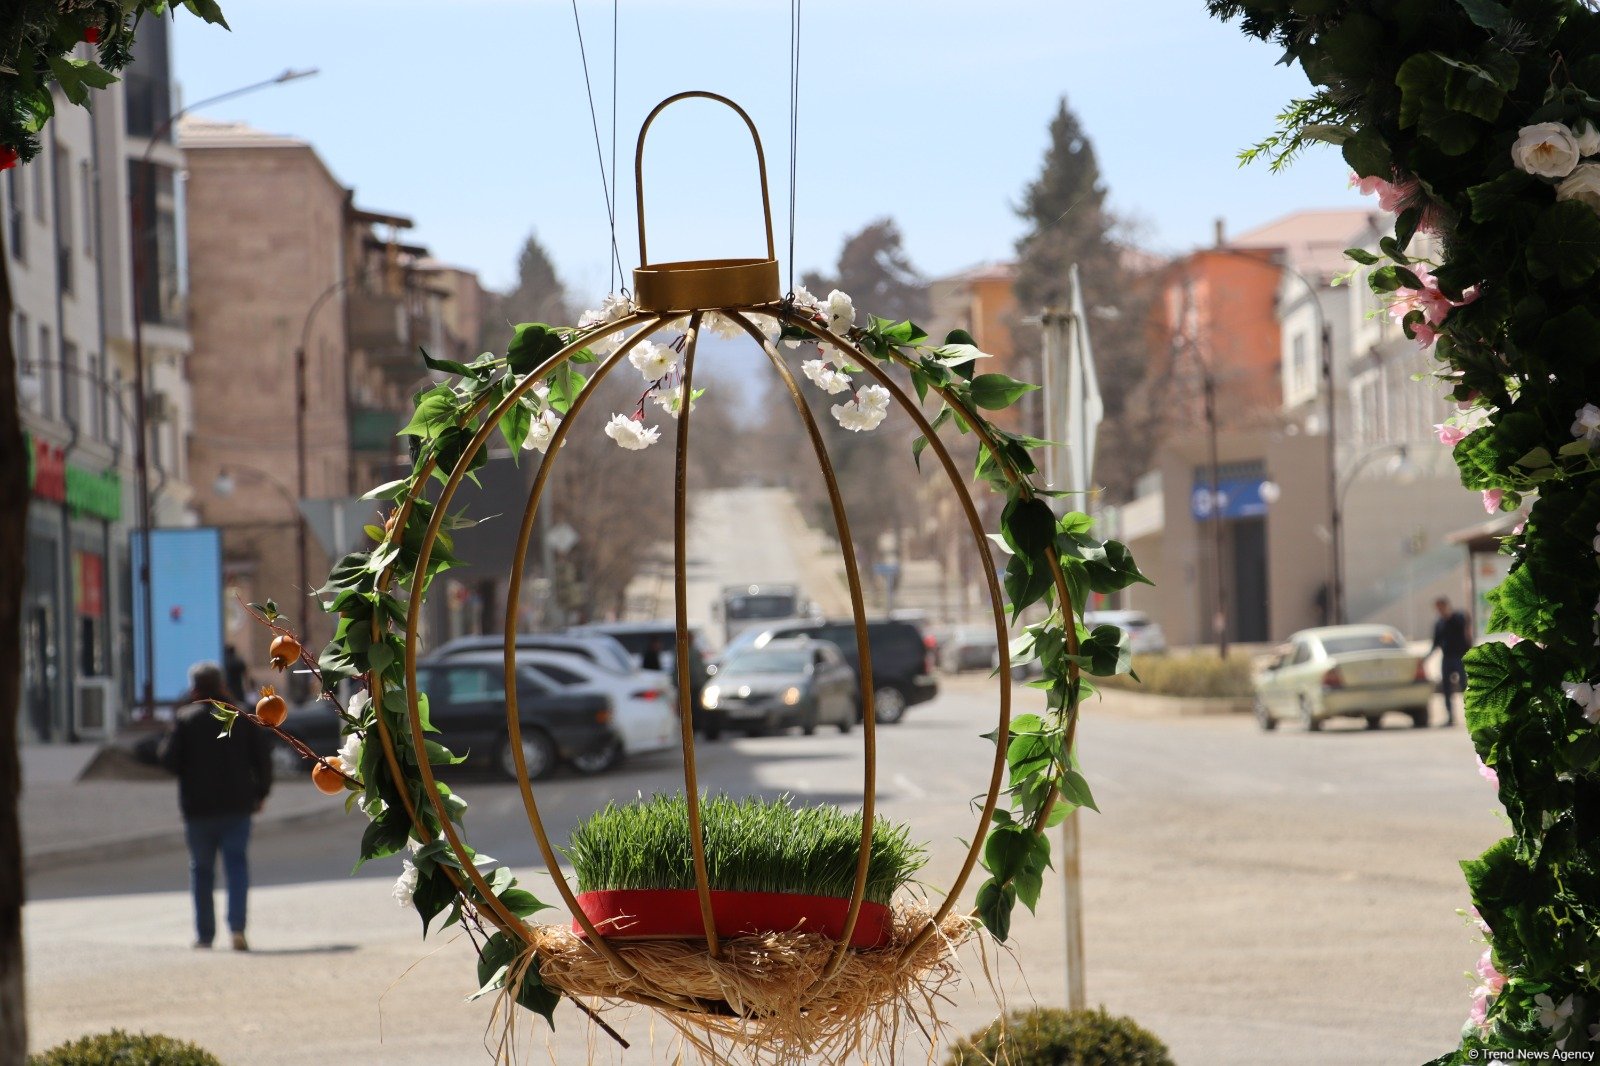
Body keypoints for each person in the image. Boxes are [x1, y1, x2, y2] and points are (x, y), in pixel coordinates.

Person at [159, 661, 273, 951]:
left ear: (194, 687)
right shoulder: (241, 717)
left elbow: (168, 760)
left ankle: (205, 934)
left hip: (198, 809)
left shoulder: (186, 718)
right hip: (238, 806)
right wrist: (260, 794)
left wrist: (179, 715)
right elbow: (263, 759)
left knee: (201, 871)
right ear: (222, 685)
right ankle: (237, 929)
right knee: (236, 867)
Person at [1430, 597, 1472, 728]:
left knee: (1464, 686)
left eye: (1441, 607)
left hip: (1460, 656)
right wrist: (1426, 657)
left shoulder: (1458, 618)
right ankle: (1450, 716)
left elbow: (1466, 627)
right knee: (1447, 689)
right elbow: (1436, 643)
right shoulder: (1439, 623)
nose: (1440, 610)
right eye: (1438, 608)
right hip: (1447, 658)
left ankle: (1471, 714)